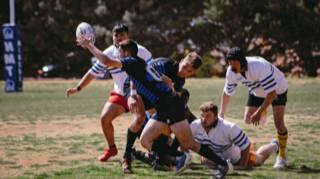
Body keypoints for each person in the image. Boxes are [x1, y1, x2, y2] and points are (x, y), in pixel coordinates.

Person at [77, 38, 233, 179]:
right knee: (146, 140)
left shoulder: (131, 62)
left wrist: (90, 45)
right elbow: (161, 77)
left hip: (170, 105)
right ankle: (180, 157)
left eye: (119, 52)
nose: (117, 55)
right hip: (164, 106)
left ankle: (221, 165)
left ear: (126, 52)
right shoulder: (140, 63)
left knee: (189, 143)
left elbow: (105, 60)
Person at [66, 23, 152, 163]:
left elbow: (153, 70)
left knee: (143, 127)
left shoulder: (141, 51)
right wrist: (78, 88)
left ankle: (154, 152)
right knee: (105, 118)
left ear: (127, 36)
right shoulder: (108, 53)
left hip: (139, 95)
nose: (118, 38)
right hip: (120, 94)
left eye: (122, 35)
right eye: (116, 35)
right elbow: (92, 73)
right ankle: (112, 148)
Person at [218, 47, 289, 169]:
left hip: (277, 89)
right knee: (248, 119)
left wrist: (259, 112)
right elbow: (227, 93)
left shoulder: (258, 67)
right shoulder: (231, 71)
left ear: (242, 61)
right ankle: (275, 143)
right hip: (257, 90)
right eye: (229, 62)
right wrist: (221, 112)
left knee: (279, 124)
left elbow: (272, 94)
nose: (232, 65)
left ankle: (282, 157)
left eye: (234, 62)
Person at [191, 101, 279, 169]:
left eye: (208, 116)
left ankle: (274, 145)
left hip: (237, 158)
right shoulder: (195, 125)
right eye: (202, 116)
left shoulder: (228, 127)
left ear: (216, 116)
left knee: (259, 159)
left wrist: (242, 166)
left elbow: (246, 145)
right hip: (218, 160)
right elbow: (185, 140)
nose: (204, 119)